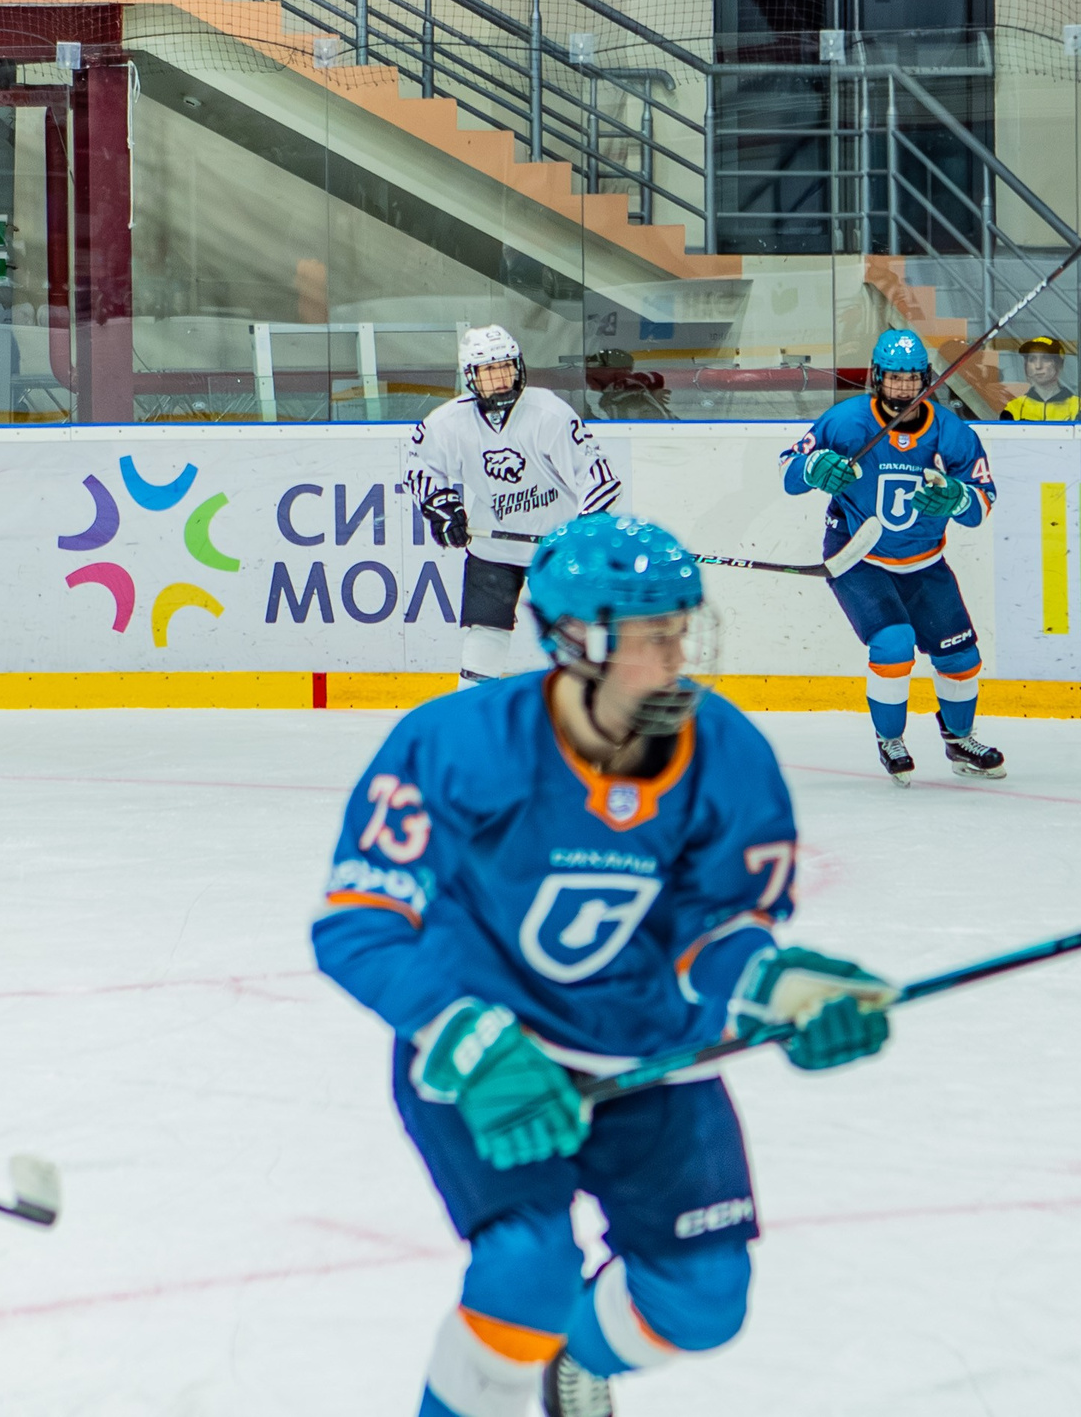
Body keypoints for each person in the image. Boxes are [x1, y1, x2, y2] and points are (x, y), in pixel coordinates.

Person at [314, 514, 894, 1417]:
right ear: (574, 639)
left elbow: (716, 930)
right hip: (489, 1050)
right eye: (647, 636)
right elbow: (360, 924)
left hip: (650, 1060)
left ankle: (570, 1362)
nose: (673, 657)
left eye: (679, 631)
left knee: (703, 1300)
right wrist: (469, 1039)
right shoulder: (456, 744)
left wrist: (782, 987)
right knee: (525, 1267)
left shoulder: (726, 752)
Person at [782, 328, 1004, 785]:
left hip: (924, 561)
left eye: (912, 378)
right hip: (856, 556)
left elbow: (983, 502)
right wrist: (813, 467)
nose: (903, 388)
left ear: (925, 379)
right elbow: (789, 471)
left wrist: (958, 499)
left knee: (961, 657)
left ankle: (959, 738)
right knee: (893, 644)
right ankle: (891, 740)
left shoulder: (952, 433)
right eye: (894, 378)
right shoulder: (846, 423)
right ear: (876, 378)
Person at [407, 326, 620, 686]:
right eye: (488, 371)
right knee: (486, 632)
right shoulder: (449, 423)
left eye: (505, 366)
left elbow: (598, 477)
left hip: (555, 547)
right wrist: (441, 506)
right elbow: (420, 466)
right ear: (471, 377)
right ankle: (474, 714)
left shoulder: (549, 413)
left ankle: (589, 709)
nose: (500, 378)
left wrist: (585, 528)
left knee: (574, 632)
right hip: (494, 549)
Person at [1001, 335, 1081, 421]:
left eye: (1046, 358)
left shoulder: (1078, 407)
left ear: (1059, 364)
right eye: (1032, 359)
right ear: (1026, 366)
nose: (1038, 366)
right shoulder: (1014, 408)